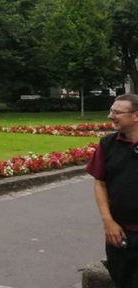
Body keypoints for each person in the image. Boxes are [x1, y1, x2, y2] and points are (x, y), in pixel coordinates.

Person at [85, 93, 138, 288]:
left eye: (116, 112)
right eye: (111, 111)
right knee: (122, 280)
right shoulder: (107, 144)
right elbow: (100, 182)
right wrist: (108, 221)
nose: (110, 116)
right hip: (119, 234)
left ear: (136, 116)